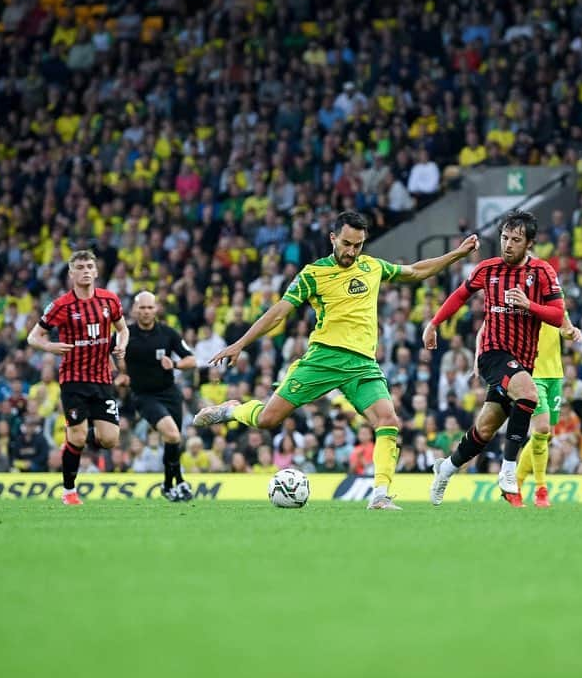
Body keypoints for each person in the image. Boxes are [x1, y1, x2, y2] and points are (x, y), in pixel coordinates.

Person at [194, 211, 478, 510]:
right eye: (346, 244)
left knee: (388, 420)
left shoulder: (372, 266)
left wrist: (457, 254)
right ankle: (232, 411)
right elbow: (279, 311)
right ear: (333, 238)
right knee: (267, 420)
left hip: (362, 364)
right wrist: (240, 344)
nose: (351, 251)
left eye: (358, 245)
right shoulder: (313, 274)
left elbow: (416, 271)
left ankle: (380, 495)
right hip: (323, 359)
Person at [425, 211, 566, 508]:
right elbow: (460, 296)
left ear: (529, 243)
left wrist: (530, 305)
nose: (508, 245)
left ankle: (446, 469)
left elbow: (557, 315)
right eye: (504, 238)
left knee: (485, 430)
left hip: (523, 360)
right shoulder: (487, 269)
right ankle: (508, 472)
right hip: (492, 353)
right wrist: (434, 323)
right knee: (528, 395)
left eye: (516, 240)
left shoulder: (542, 273)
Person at [27, 250, 129, 505]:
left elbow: (123, 329)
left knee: (110, 439)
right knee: (78, 438)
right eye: (80, 267)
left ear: (96, 271)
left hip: (103, 380)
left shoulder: (110, 300)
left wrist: (122, 345)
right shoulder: (61, 306)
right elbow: (33, 337)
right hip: (74, 380)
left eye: (89, 266)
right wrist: (50, 347)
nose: (85, 271)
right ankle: (69, 491)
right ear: (71, 274)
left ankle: (77, 431)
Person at [118, 291, 197, 501]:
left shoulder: (168, 334)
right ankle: (177, 483)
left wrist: (176, 364)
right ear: (135, 309)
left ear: (156, 309)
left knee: (174, 441)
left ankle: (170, 484)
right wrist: (119, 373)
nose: (145, 312)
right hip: (144, 396)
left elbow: (192, 360)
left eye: (149, 307)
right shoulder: (126, 334)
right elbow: (105, 352)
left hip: (170, 394)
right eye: (141, 308)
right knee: (172, 435)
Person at [515, 314, 581, 507]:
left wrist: (571, 332)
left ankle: (515, 484)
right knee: (542, 429)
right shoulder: (524, 300)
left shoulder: (555, 298)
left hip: (555, 375)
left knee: (547, 435)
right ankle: (541, 489)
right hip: (533, 374)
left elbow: (564, 327)